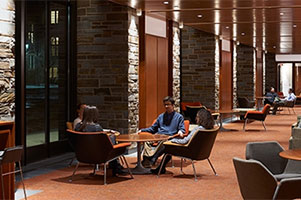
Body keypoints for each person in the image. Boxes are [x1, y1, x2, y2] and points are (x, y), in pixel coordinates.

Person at [151, 107, 215, 174]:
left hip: (190, 152)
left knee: (167, 146)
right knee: (168, 146)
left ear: (202, 119)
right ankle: (156, 162)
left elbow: (185, 141)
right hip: (201, 152)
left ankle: (154, 161)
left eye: (197, 117)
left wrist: (173, 140)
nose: (196, 119)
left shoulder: (198, 129)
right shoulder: (208, 130)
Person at [75, 106, 122, 175]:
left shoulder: (78, 126)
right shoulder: (97, 128)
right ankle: (115, 167)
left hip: (82, 155)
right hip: (99, 156)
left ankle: (115, 167)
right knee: (113, 139)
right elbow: (103, 143)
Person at [140, 96, 185, 168]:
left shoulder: (179, 117)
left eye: (168, 104)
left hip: (169, 137)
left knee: (164, 142)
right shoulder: (161, 116)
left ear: (173, 105)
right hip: (158, 135)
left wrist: (180, 131)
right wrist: (142, 130)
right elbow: (152, 129)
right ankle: (147, 159)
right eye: (165, 105)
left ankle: (153, 159)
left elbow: (182, 129)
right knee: (147, 140)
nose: (166, 106)